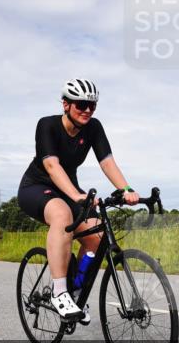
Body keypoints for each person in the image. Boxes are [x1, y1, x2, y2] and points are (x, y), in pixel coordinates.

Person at [18, 79, 139, 322]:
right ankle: (59, 292)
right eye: (81, 104)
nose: (87, 110)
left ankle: (76, 291)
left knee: (97, 237)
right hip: (37, 188)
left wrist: (126, 189)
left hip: (69, 190)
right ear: (66, 104)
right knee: (62, 215)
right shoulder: (47, 125)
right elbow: (52, 165)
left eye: (92, 106)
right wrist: (76, 195)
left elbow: (107, 162)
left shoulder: (93, 127)